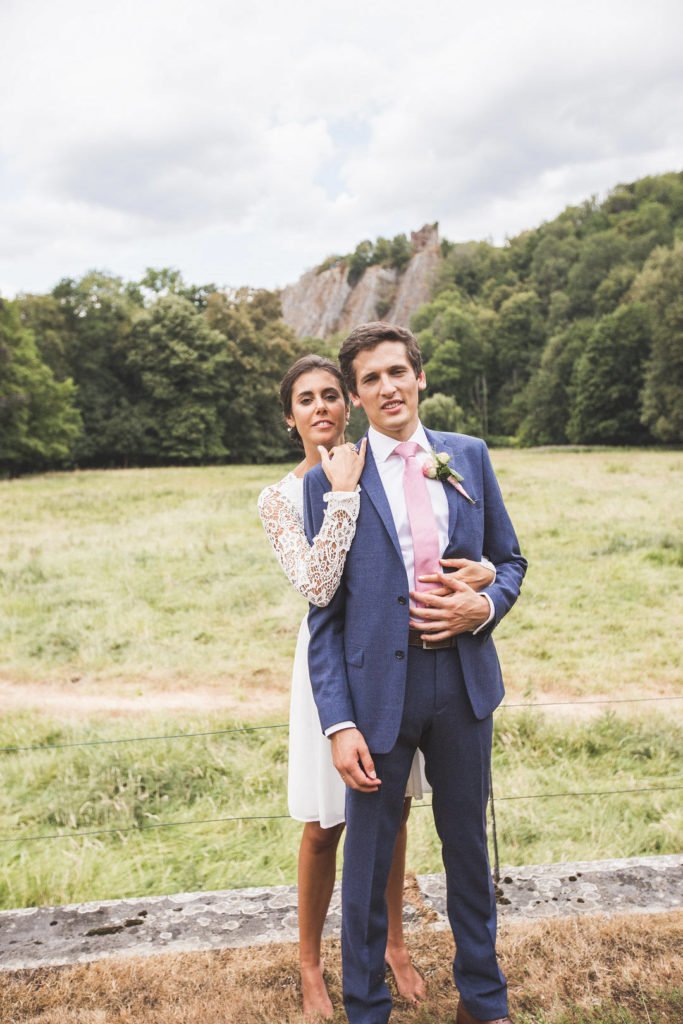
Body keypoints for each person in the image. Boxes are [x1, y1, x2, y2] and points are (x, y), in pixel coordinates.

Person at [258, 354, 497, 1020]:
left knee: (394, 815)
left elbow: (479, 555)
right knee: (325, 823)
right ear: (290, 418)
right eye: (305, 400)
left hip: (413, 667)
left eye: (330, 395)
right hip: (336, 667)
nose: (321, 408)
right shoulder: (287, 495)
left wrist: (482, 581)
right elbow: (318, 588)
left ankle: (394, 944)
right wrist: (340, 494)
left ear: (350, 404)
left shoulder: (413, 460)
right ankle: (312, 964)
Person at [304, 324, 527, 1024]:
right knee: (368, 865)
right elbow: (323, 616)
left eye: (397, 372)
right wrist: (339, 723)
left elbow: (510, 560)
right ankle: (367, 1009)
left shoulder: (468, 456)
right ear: (355, 396)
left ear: (419, 377)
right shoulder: (329, 481)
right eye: (370, 379)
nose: (388, 388)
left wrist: (484, 604)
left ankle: (483, 1002)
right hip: (375, 694)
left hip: (462, 683)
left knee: (467, 850)